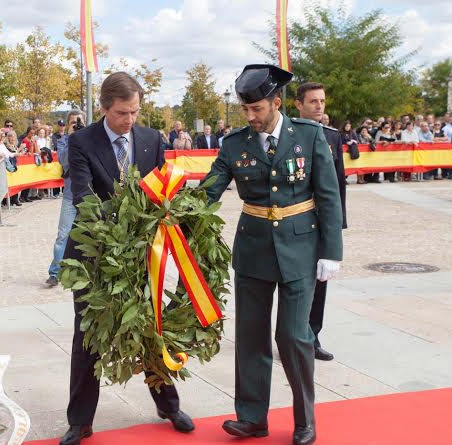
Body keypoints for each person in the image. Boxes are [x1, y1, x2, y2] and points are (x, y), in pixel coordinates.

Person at [204, 64, 343, 445]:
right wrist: (173, 213)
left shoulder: (310, 136)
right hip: (252, 250)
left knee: (294, 336)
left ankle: (304, 420)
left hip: (301, 248)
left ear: (276, 103)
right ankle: (251, 418)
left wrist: (332, 251)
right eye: (245, 110)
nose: (250, 117)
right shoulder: (234, 143)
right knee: (250, 336)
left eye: (257, 110)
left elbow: (328, 196)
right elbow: (209, 190)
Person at [61, 72, 195, 445]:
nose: (130, 120)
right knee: (88, 333)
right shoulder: (81, 141)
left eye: (135, 112)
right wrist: (120, 227)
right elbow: (84, 196)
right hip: (95, 252)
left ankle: (168, 406)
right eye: (122, 113)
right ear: (104, 108)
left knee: (151, 325)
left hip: (142, 252)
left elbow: (161, 186)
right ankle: (80, 420)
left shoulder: (151, 139)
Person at [294, 82, 347, 363]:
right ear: (298, 104)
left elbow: (338, 185)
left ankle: (312, 336)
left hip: (321, 221)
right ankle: (292, 336)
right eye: (313, 101)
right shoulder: (288, 135)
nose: (319, 106)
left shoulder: (332, 137)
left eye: (322, 101)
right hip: (295, 219)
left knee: (320, 282)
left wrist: (338, 224)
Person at [45, 110, 84, 288]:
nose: (76, 124)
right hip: (70, 194)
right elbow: (64, 161)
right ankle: (55, 273)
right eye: (72, 122)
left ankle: (83, 272)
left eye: (79, 121)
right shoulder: (63, 141)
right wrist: (71, 138)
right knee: (63, 235)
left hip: (88, 194)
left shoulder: (90, 140)